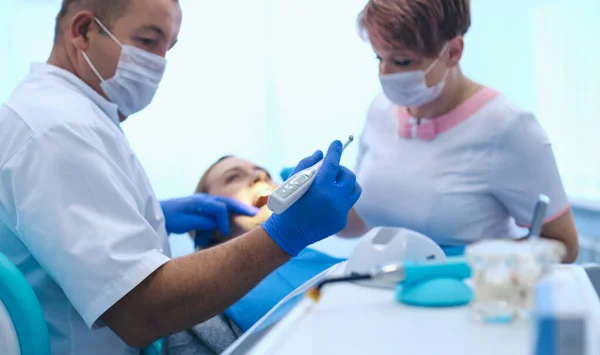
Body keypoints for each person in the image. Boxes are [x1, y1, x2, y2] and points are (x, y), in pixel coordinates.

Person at [0, 1, 361, 354]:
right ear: (83, 30)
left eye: (167, 48)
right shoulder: (57, 129)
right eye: (147, 41)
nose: (158, 63)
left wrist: (150, 215)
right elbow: (140, 312)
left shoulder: (74, 119)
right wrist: (285, 235)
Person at [339, 0, 579, 262]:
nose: (384, 73)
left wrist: (474, 263)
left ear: (453, 51)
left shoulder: (507, 126)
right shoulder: (380, 110)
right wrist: (314, 205)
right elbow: (361, 220)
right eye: (379, 57)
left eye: (402, 61)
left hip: (468, 295)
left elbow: (563, 244)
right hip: (379, 286)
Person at [164, 156, 346, 354]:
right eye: (233, 177)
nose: (259, 176)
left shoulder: (318, 258)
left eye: (266, 173)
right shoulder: (191, 309)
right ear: (207, 211)